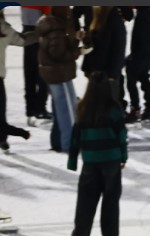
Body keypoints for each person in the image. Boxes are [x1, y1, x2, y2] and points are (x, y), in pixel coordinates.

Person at [68, 72, 127, 236]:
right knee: (110, 200)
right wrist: (123, 157)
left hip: (90, 160)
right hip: (111, 160)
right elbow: (121, 135)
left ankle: (80, 234)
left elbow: (75, 136)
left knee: (86, 198)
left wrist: (72, 161)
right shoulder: (114, 109)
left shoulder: (82, 107)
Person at [37, 5, 80, 153]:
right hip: (58, 73)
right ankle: (68, 144)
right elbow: (58, 54)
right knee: (66, 110)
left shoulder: (56, 26)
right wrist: (77, 52)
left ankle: (60, 142)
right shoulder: (56, 30)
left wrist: (75, 39)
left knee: (64, 108)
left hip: (57, 72)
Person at [1, 8, 36, 153]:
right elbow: (23, 40)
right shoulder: (4, 29)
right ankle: (6, 136)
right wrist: (39, 33)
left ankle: (3, 137)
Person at [124, 7, 150, 124]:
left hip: (140, 52)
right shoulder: (148, 13)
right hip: (146, 52)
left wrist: (134, 55)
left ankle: (135, 108)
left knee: (131, 79)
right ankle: (149, 106)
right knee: (144, 77)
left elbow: (141, 36)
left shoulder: (144, 16)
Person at [21, 6, 50, 125]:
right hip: (41, 31)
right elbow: (48, 12)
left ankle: (30, 109)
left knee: (30, 72)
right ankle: (40, 108)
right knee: (43, 71)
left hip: (26, 30)